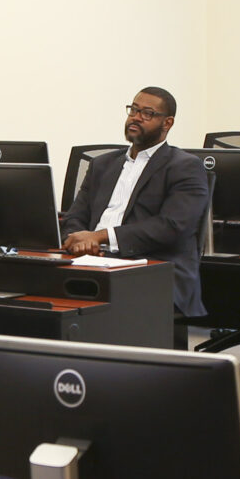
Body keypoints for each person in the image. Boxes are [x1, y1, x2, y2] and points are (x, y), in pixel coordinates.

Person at [59, 87, 212, 320]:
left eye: (148, 113)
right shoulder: (102, 164)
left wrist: (99, 237)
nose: (136, 117)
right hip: (94, 261)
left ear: (167, 123)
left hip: (152, 268)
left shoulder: (185, 167)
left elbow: (171, 227)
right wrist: (79, 239)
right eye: (134, 109)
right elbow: (75, 215)